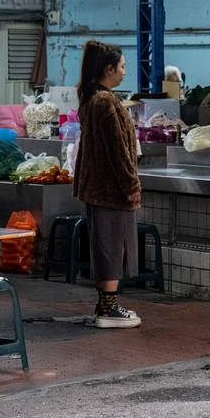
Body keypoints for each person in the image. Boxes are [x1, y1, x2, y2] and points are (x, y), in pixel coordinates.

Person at [73, 41, 142, 329]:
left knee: (105, 244)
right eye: (122, 66)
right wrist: (130, 183)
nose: (125, 72)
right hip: (110, 188)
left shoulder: (92, 98)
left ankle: (105, 304)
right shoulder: (105, 101)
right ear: (108, 69)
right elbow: (118, 149)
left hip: (98, 186)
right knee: (113, 246)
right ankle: (109, 309)